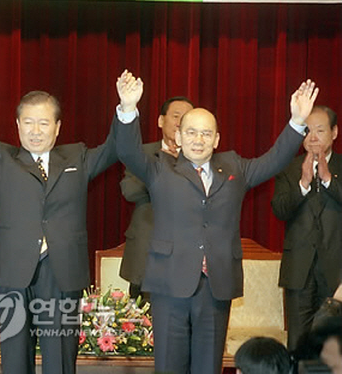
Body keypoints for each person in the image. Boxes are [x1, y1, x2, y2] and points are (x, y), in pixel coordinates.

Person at [115, 69, 319, 374]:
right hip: (169, 284)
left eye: (206, 133)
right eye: (192, 132)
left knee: (208, 367)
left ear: (217, 139)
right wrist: (128, 109)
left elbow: (274, 159)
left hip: (216, 286)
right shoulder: (160, 170)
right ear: (180, 137)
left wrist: (297, 122)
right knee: (169, 366)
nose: (199, 139)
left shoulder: (234, 166)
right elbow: (127, 151)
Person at [0, 72, 134, 374]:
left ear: (57, 128)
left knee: (60, 357)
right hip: (13, 273)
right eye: (28, 122)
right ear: (17, 125)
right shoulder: (1, 158)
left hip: (62, 271)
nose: (35, 131)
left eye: (44, 123)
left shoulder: (76, 157)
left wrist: (126, 109)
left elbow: (114, 149)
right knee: (15, 358)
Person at [271, 105, 342, 350]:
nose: (312, 137)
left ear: (334, 132)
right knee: (298, 344)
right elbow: (279, 210)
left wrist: (328, 180)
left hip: (336, 273)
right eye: (307, 131)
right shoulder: (288, 168)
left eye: (320, 130)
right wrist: (303, 183)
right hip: (298, 271)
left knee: (333, 346)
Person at [119, 96, 193, 301]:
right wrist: (161, 167)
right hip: (146, 253)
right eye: (175, 116)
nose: (179, 122)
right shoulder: (142, 153)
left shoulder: (199, 158)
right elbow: (131, 191)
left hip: (186, 257)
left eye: (185, 118)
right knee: (142, 325)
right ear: (161, 121)